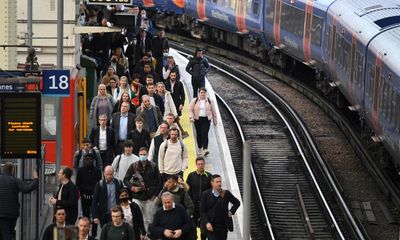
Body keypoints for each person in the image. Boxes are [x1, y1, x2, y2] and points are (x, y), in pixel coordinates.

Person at [124, 147, 161, 230]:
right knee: (135, 219)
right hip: (137, 197)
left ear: (147, 155)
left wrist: (155, 195)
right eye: (141, 154)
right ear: (138, 154)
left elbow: (159, 182)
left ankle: (147, 236)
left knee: (149, 219)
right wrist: (131, 187)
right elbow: (125, 179)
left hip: (149, 197)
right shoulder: (133, 166)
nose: (142, 156)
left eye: (144, 154)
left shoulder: (153, 166)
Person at [0, 162, 38, 240]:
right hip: (13, 213)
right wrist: (36, 180)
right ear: (12, 170)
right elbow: (26, 189)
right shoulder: (15, 180)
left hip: (1, 214)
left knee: (4, 233)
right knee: (9, 233)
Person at [200, 174, 240, 240]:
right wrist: (207, 223)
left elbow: (237, 203)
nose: (219, 184)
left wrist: (230, 212)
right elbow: (202, 211)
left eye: (220, 182)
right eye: (217, 182)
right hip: (211, 225)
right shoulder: (205, 194)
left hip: (223, 226)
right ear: (212, 183)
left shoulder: (226, 193)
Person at [76, 154, 102, 238]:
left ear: (93, 160)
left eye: (90, 159)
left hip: (94, 197)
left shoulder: (97, 171)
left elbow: (99, 184)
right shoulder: (80, 170)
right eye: (86, 159)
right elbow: (78, 184)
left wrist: (95, 194)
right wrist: (83, 193)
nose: (88, 161)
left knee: (95, 216)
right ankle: (86, 235)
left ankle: (93, 235)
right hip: (84, 197)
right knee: (85, 216)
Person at [186, 157, 212, 240]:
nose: (200, 166)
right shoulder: (191, 175)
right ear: (196, 165)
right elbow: (187, 190)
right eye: (199, 164)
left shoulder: (209, 176)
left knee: (203, 230)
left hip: (205, 207)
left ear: (204, 164)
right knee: (192, 228)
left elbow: (211, 191)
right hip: (194, 206)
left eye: (202, 164)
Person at [189, 87, 217, 156]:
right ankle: (199, 147)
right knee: (199, 134)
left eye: (204, 93)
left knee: (205, 133)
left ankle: (205, 149)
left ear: (206, 93)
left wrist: (215, 121)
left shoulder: (210, 101)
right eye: (201, 93)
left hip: (206, 120)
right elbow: (190, 110)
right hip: (197, 119)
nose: (202, 94)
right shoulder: (194, 100)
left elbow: (213, 111)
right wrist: (191, 117)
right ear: (199, 93)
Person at [165, 70, 188, 138]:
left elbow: (183, 95)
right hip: (169, 104)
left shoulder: (179, 83)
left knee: (175, 119)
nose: (173, 77)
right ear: (169, 75)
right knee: (174, 119)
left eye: (174, 75)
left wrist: (182, 104)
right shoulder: (166, 83)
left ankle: (176, 133)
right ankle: (178, 133)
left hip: (177, 104)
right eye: (171, 75)